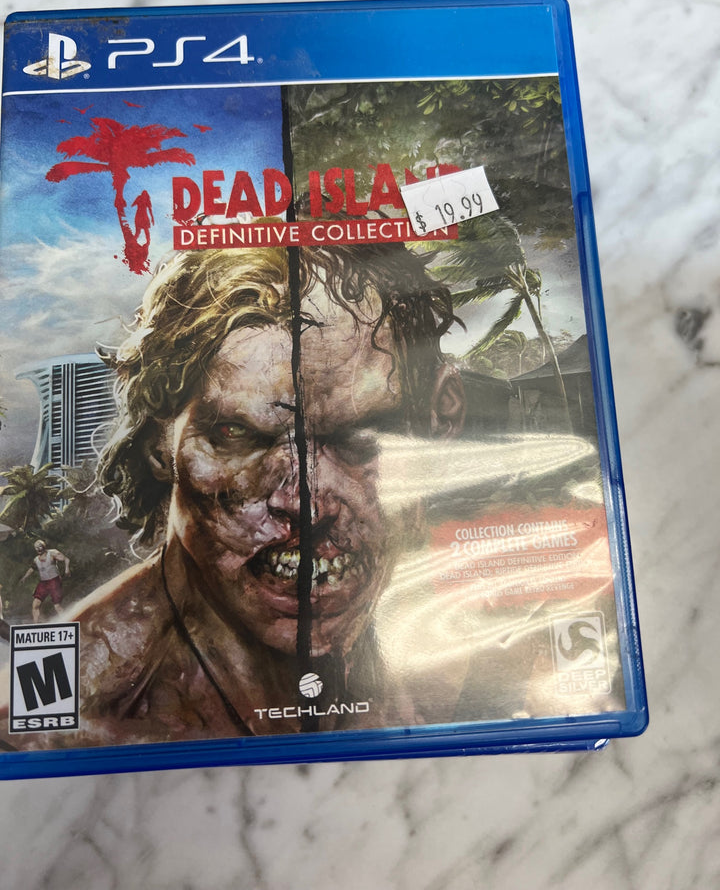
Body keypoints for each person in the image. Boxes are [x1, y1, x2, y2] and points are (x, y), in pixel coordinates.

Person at [1, 241, 466, 748]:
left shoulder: (481, 645)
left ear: (442, 418)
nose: (307, 505)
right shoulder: (49, 714)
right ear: (159, 445)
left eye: (361, 436)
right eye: (236, 435)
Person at [19, 540, 70, 622]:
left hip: (54, 581)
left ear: (43, 546)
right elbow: (32, 569)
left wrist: (67, 569)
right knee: (35, 604)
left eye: (39, 546)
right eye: (36, 548)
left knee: (57, 606)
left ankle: (67, 622)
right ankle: (35, 625)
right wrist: (24, 577)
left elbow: (66, 559)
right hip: (43, 583)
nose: (38, 549)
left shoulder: (52, 553)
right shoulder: (36, 559)